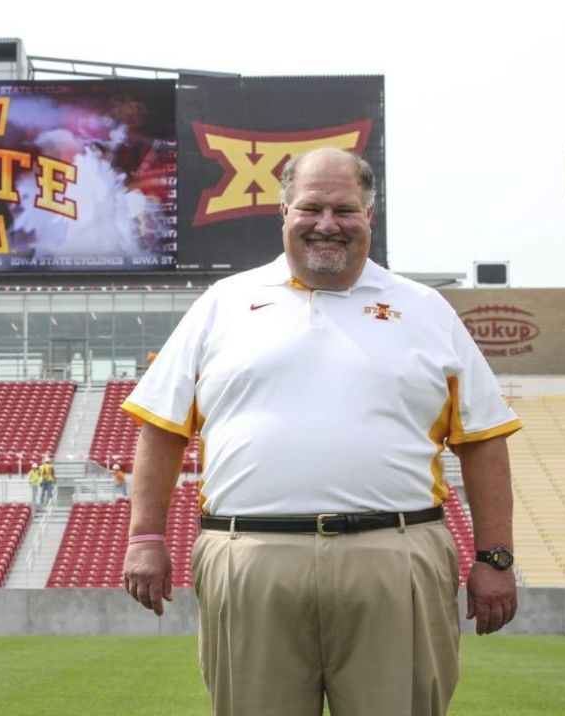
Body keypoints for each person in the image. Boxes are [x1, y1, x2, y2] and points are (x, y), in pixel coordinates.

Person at [121, 147, 520, 716]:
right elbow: (160, 430)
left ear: (369, 216)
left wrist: (495, 558)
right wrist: (144, 539)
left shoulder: (425, 309)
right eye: (310, 208)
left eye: (344, 209)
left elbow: (483, 440)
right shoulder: (222, 304)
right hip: (250, 555)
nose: (327, 224)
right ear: (283, 213)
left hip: (395, 554)